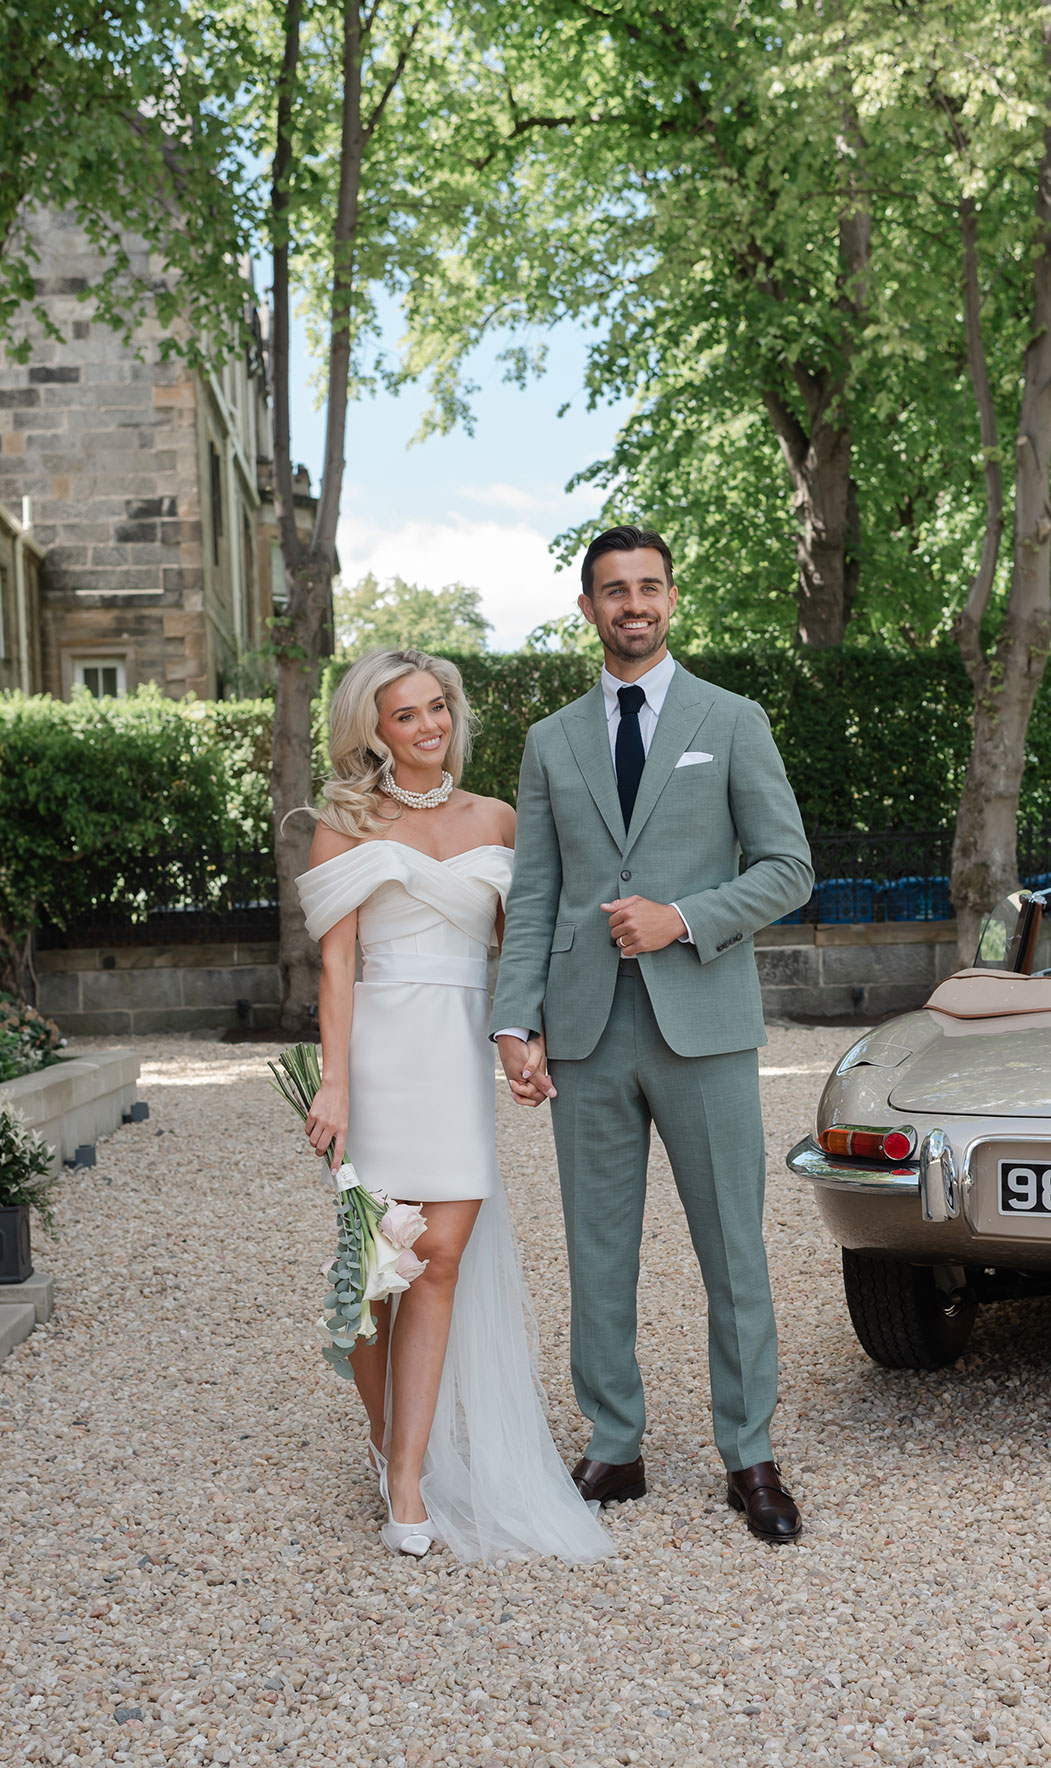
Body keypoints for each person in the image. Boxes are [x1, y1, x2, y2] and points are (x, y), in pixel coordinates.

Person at [491, 526, 814, 1544]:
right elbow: (534, 893)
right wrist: (513, 1017)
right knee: (596, 1249)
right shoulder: (551, 742)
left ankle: (749, 1453)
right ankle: (615, 1442)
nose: (633, 604)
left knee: (734, 1249)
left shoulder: (734, 718)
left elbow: (787, 867)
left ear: (672, 599)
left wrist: (684, 917)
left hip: (704, 1024)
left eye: (649, 587)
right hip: (587, 1031)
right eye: (612, 590)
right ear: (586, 608)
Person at [295, 646, 611, 1565]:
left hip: (461, 1054)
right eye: (406, 715)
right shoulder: (344, 825)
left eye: (438, 708)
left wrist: (529, 1039)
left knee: (438, 1261)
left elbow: (523, 954)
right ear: (373, 730)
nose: (430, 726)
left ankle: (407, 1473)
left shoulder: (500, 820)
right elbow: (339, 964)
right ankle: (384, 1435)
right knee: (372, 1270)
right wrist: (336, 1080)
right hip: (382, 1054)